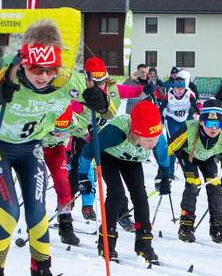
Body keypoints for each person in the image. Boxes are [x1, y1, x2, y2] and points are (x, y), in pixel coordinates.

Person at [0, 18, 107, 276]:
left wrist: (101, 103)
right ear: (25, 62)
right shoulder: (8, 77)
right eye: (36, 69)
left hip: (32, 148)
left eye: (50, 69)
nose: (43, 76)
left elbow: (109, 112)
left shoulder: (69, 81)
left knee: (38, 214)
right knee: (10, 212)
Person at [78, 100, 171, 263]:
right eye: (148, 140)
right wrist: (83, 176)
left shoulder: (157, 139)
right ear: (136, 133)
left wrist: (164, 176)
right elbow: (88, 151)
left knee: (140, 196)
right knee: (116, 193)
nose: (153, 143)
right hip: (109, 155)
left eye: (155, 138)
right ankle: (106, 242)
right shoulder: (115, 132)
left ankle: (144, 244)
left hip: (131, 159)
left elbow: (163, 159)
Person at [67, 57, 153, 222]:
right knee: (78, 171)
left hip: (107, 137)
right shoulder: (79, 92)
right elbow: (71, 116)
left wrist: (146, 88)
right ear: (87, 79)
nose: (100, 86)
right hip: (83, 136)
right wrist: (85, 133)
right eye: (96, 82)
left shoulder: (112, 88)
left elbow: (134, 92)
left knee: (115, 184)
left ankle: (121, 213)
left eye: (102, 81)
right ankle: (66, 210)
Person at [168, 99, 222, 244]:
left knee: (215, 187)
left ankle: (218, 228)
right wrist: (164, 173)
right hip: (187, 155)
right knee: (193, 183)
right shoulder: (189, 131)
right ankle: (186, 226)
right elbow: (168, 149)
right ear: (202, 122)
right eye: (210, 123)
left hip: (207, 157)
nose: (214, 128)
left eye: (218, 124)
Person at [41, 104, 88, 246]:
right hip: (35, 147)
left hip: (56, 150)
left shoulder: (75, 122)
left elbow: (88, 136)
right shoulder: (41, 118)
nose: (59, 133)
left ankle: (65, 224)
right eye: (55, 129)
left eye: (63, 130)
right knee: (40, 181)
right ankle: (36, 220)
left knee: (63, 184)